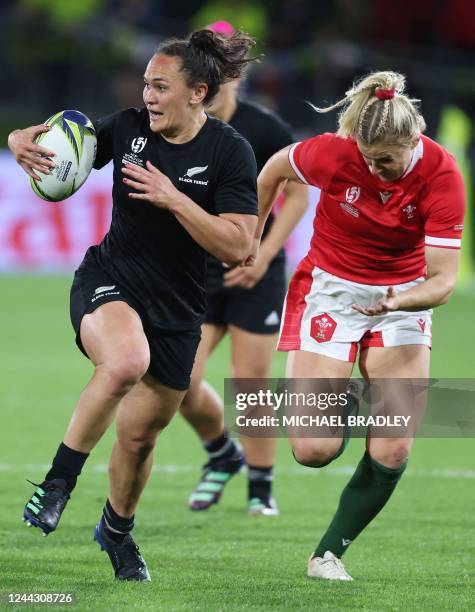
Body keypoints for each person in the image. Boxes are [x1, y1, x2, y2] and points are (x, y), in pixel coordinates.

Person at [8, 28, 259, 582]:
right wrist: (19, 139)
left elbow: (241, 246)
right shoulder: (127, 129)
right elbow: (59, 148)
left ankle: (116, 531)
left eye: (160, 86)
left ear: (197, 92)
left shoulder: (228, 152)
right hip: (109, 280)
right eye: (146, 83)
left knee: (140, 438)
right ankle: (56, 485)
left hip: (178, 308)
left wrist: (174, 199)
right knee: (124, 362)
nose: (147, 95)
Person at [253, 71, 465, 580]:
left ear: (414, 141)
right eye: (368, 158)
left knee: (393, 444)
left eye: (385, 160)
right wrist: (249, 237)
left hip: (404, 297)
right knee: (313, 449)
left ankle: (326, 554)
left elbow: (442, 281)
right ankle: (343, 390)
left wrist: (400, 300)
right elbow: (273, 171)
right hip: (331, 291)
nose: (375, 168)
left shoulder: (443, 176)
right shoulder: (335, 152)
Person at [178, 21, 308, 516]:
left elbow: (296, 195)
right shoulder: (181, 128)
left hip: (257, 270)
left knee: (249, 382)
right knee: (179, 381)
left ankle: (261, 488)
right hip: (200, 270)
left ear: (236, 79)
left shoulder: (265, 129)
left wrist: (264, 254)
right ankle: (221, 453)